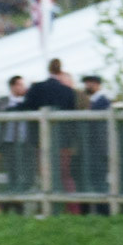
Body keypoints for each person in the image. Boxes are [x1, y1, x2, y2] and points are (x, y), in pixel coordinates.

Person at [21, 58, 78, 198]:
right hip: (63, 141)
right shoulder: (68, 91)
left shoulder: (37, 88)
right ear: (61, 70)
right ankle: (72, 208)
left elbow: (25, 106)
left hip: (41, 140)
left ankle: (47, 203)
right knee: (64, 174)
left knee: (44, 172)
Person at [78, 74, 110, 206]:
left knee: (99, 180)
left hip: (99, 147)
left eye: (90, 83)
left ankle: (103, 209)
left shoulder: (104, 102)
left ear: (97, 85)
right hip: (86, 147)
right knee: (86, 178)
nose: (87, 86)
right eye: (86, 83)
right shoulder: (85, 102)